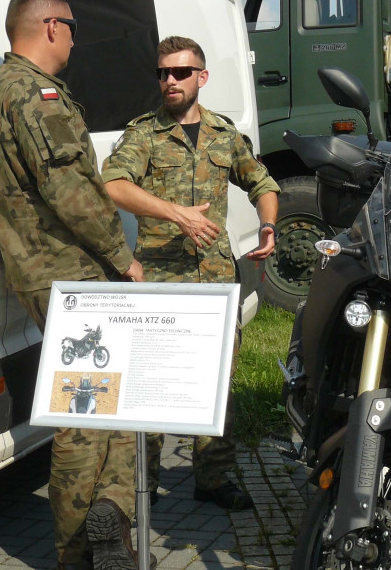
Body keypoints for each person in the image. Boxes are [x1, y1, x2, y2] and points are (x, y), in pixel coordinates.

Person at [0, 0, 144, 570]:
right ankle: (91, 537)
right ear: (50, 26)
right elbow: (71, 191)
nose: (75, 39)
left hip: (41, 270)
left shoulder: (3, 91)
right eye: (72, 27)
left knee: (98, 403)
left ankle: (108, 521)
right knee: (91, 410)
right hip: (69, 269)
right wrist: (123, 257)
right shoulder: (36, 94)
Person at [101, 35, 279, 511]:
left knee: (218, 383)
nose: (170, 81)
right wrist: (177, 214)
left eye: (180, 73)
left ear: (202, 77)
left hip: (217, 279)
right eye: (163, 73)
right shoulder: (143, 134)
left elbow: (261, 181)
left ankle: (213, 479)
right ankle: (146, 485)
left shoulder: (225, 134)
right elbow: (113, 184)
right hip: (161, 281)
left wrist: (268, 224)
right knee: (154, 385)